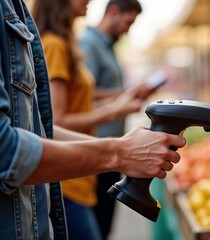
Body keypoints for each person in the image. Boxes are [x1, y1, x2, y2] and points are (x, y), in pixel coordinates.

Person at [0, 0, 185, 239]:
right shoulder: (56, 44)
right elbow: (53, 121)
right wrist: (119, 149)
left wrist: (122, 140)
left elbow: (40, 125)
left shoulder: (58, 38)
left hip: (72, 177)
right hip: (68, 180)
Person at [77, 1, 148, 238]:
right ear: (114, 12)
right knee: (97, 223)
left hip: (110, 144)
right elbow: (83, 93)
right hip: (96, 144)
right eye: (128, 22)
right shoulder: (88, 43)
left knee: (104, 223)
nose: (128, 29)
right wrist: (122, 95)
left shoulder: (107, 46)